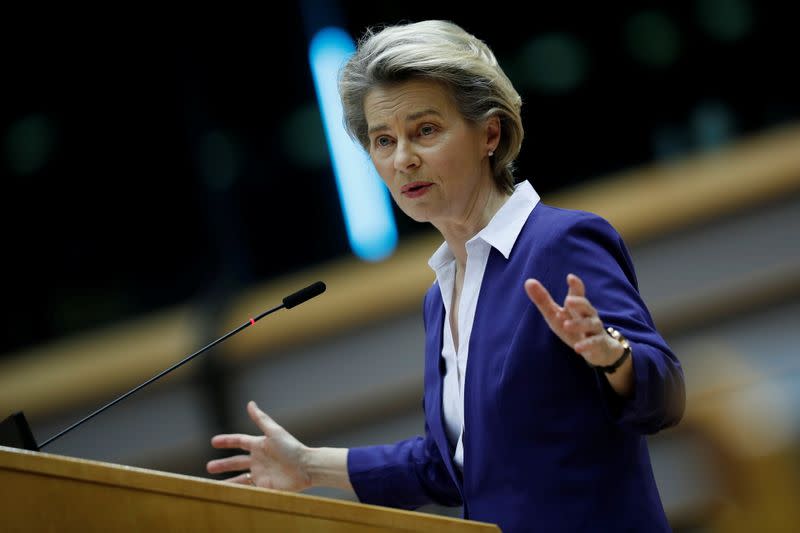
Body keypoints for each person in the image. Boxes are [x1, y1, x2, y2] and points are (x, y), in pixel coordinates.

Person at [206, 20, 685, 532]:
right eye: (383, 140)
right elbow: (450, 466)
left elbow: (664, 393)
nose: (403, 159)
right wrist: (307, 466)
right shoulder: (442, 296)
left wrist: (611, 354)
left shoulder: (559, 243)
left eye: (425, 131)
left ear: (490, 133)